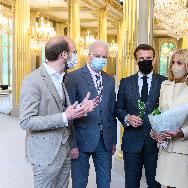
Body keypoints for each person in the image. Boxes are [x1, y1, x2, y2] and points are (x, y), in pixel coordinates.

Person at [19, 36, 98, 188]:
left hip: (64, 150)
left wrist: (79, 109)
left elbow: (61, 109)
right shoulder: (33, 80)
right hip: (45, 154)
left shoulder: (62, 78)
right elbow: (26, 121)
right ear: (64, 54)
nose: (76, 56)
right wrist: (64, 116)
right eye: (74, 52)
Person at [65, 40, 117, 188]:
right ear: (89, 57)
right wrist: (72, 144)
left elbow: (111, 111)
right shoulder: (73, 77)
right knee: (80, 182)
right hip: (80, 140)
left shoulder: (109, 80)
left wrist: (113, 139)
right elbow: (68, 113)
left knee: (105, 182)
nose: (101, 59)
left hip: (104, 141)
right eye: (97, 55)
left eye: (104, 56)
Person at [115, 44, 166, 188]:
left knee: (154, 184)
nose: (145, 61)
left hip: (155, 142)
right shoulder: (126, 82)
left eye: (148, 58)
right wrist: (127, 118)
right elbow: (118, 108)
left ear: (154, 60)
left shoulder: (164, 82)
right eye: (141, 58)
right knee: (131, 184)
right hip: (132, 142)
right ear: (136, 60)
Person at [151, 49, 188, 188]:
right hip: (165, 148)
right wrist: (155, 132)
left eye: (179, 63)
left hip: (184, 150)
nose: (175, 66)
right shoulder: (165, 85)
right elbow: (160, 113)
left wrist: (182, 132)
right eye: (173, 62)